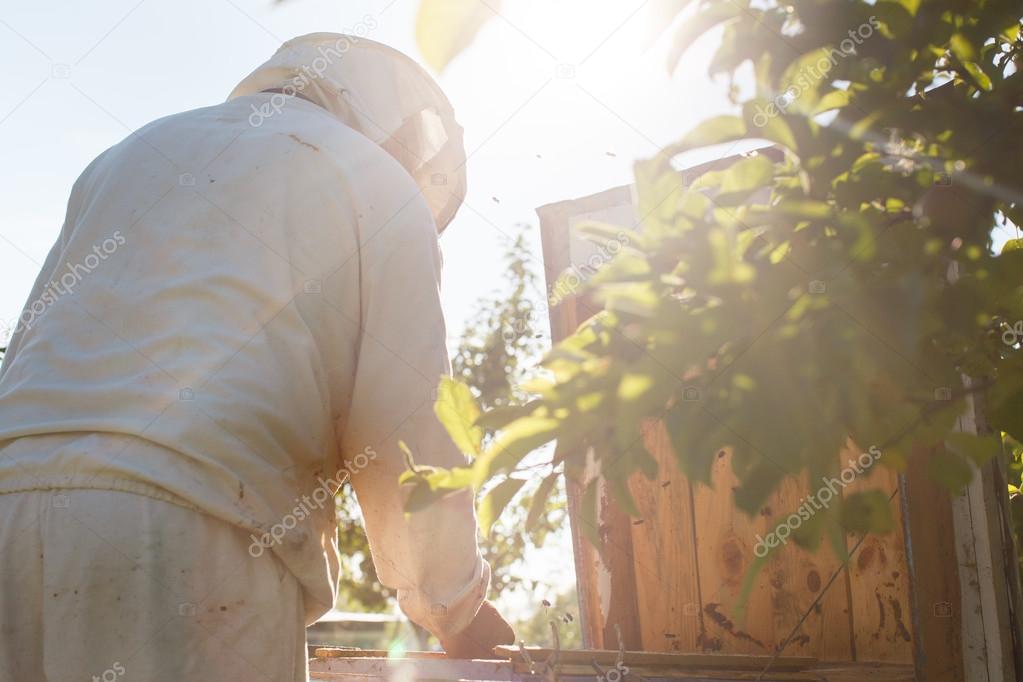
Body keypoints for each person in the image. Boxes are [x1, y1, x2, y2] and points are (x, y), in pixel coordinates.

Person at [0, 33, 513, 682]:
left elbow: (27, 350)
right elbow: (406, 427)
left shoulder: (130, 153)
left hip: (10, 512)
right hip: (194, 531)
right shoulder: (374, 180)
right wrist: (455, 605)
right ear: (394, 114)